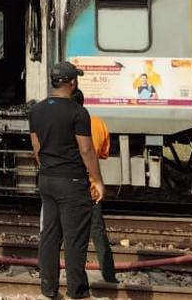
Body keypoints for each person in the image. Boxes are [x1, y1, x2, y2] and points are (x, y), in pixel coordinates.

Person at [29, 61, 106, 300]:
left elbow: (36, 148)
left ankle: (49, 289)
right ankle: (78, 292)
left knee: (50, 235)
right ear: (73, 82)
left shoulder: (37, 110)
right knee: (75, 238)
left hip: (47, 179)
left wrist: (47, 168)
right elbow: (86, 150)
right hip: (71, 182)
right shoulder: (77, 112)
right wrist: (97, 180)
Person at [72, 88, 118, 284]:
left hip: (69, 184)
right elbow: (103, 153)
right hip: (91, 186)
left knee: (62, 231)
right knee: (98, 231)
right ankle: (109, 275)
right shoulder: (98, 123)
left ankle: (57, 274)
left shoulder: (65, 122)